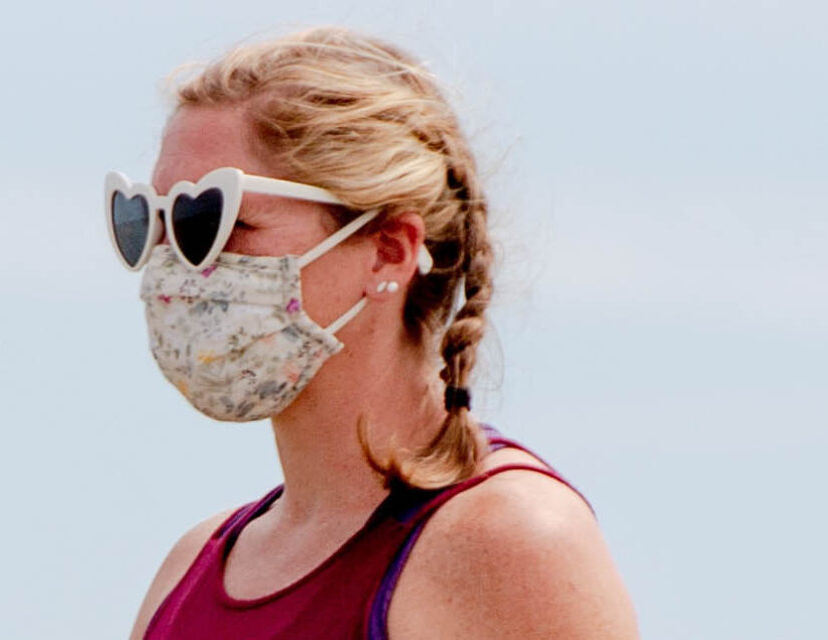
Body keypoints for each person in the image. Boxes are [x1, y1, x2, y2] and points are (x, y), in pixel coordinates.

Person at [104, 27, 638, 639]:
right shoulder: (190, 569)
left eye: (210, 219)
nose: (174, 268)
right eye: (149, 222)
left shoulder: (508, 539)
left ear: (388, 251)